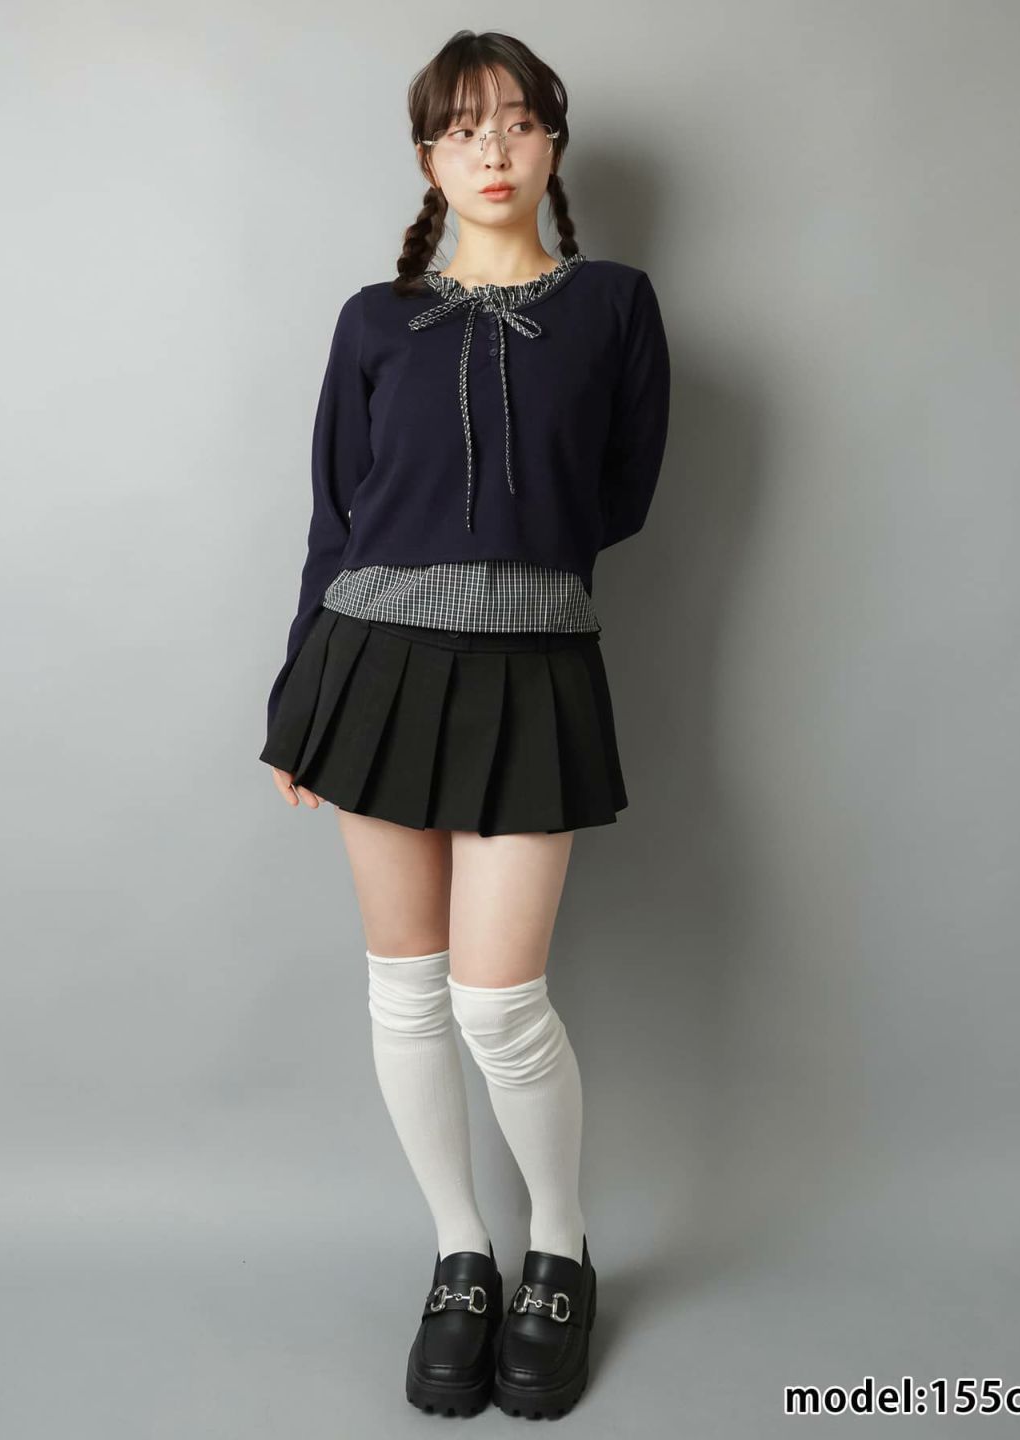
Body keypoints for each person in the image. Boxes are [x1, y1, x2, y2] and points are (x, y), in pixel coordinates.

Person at [258, 29, 670, 1420]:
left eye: (516, 121)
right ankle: (460, 1254)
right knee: (406, 992)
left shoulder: (615, 306)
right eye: (460, 127)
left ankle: (559, 1243)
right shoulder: (373, 321)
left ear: (553, 141)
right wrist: (296, 693)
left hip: (532, 668)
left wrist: (508, 566)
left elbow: (618, 498)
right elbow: (334, 515)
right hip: (370, 665)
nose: (491, 148)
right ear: (429, 158)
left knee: (500, 1000)